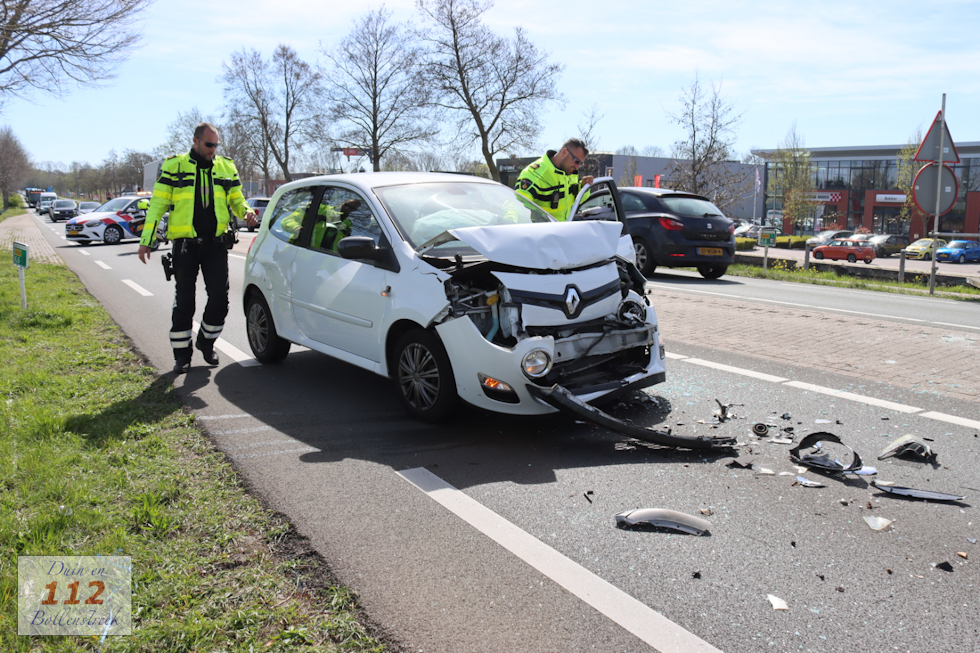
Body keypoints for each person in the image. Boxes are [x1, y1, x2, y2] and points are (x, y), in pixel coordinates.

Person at [137, 122, 257, 374]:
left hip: (216, 245)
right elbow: (157, 205)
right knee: (184, 304)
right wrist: (147, 240)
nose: (213, 149)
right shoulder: (173, 166)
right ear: (196, 141)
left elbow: (237, 200)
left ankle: (206, 341)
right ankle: (182, 356)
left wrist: (246, 213)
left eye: (216, 145)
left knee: (220, 301)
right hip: (185, 247)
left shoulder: (227, 166)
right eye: (209, 144)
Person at [514, 138, 595, 221]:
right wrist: (509, 224)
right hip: (541, 232)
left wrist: (582, 187)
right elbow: (516, 204)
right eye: (576, 161)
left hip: (564, 229)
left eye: (581, 163)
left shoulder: (569, 172)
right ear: (564, 152)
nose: (577, 167)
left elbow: (576, 201)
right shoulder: (534, 173)